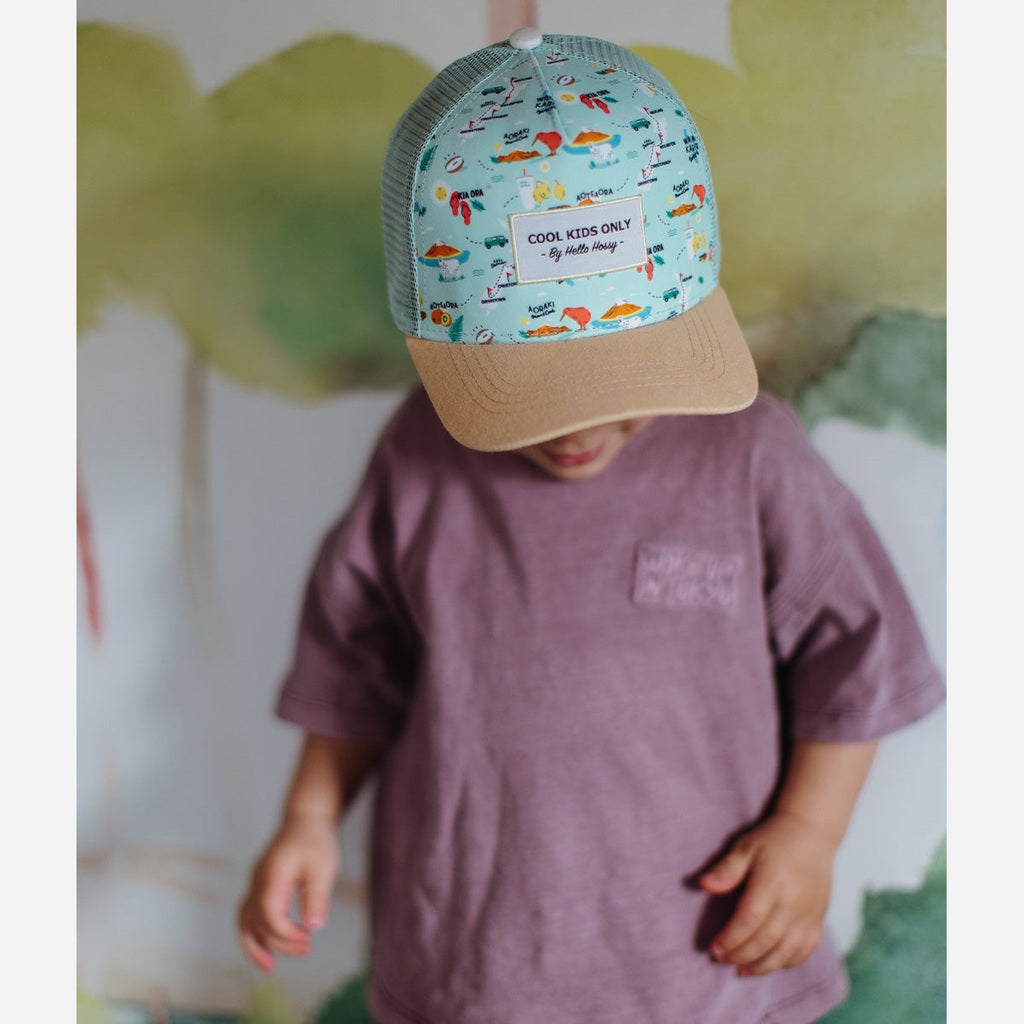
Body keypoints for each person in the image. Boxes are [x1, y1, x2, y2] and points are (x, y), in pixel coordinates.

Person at [238, 29, 944, 1024]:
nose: (579, 431)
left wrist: (808, 832)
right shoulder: (421, 458)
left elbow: (859, 654)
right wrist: (309, 815)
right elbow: (354, 660)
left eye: (622, 385)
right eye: (532, 395)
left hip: (705, 972)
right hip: (472, 969)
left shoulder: (748, 454)